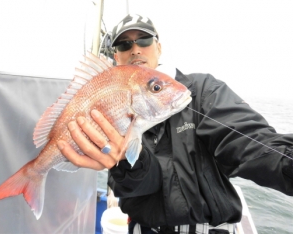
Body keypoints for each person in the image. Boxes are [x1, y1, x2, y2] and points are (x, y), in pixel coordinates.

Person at [57, 14, 293, 234]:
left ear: (159, 47)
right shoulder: (112, 106)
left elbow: (247, 143)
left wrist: (286, 161)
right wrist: (128, 163)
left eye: (145, 40)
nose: (136, 49)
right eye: (124, 45)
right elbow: (134, 186)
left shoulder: (202, 90)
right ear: (116, 57)